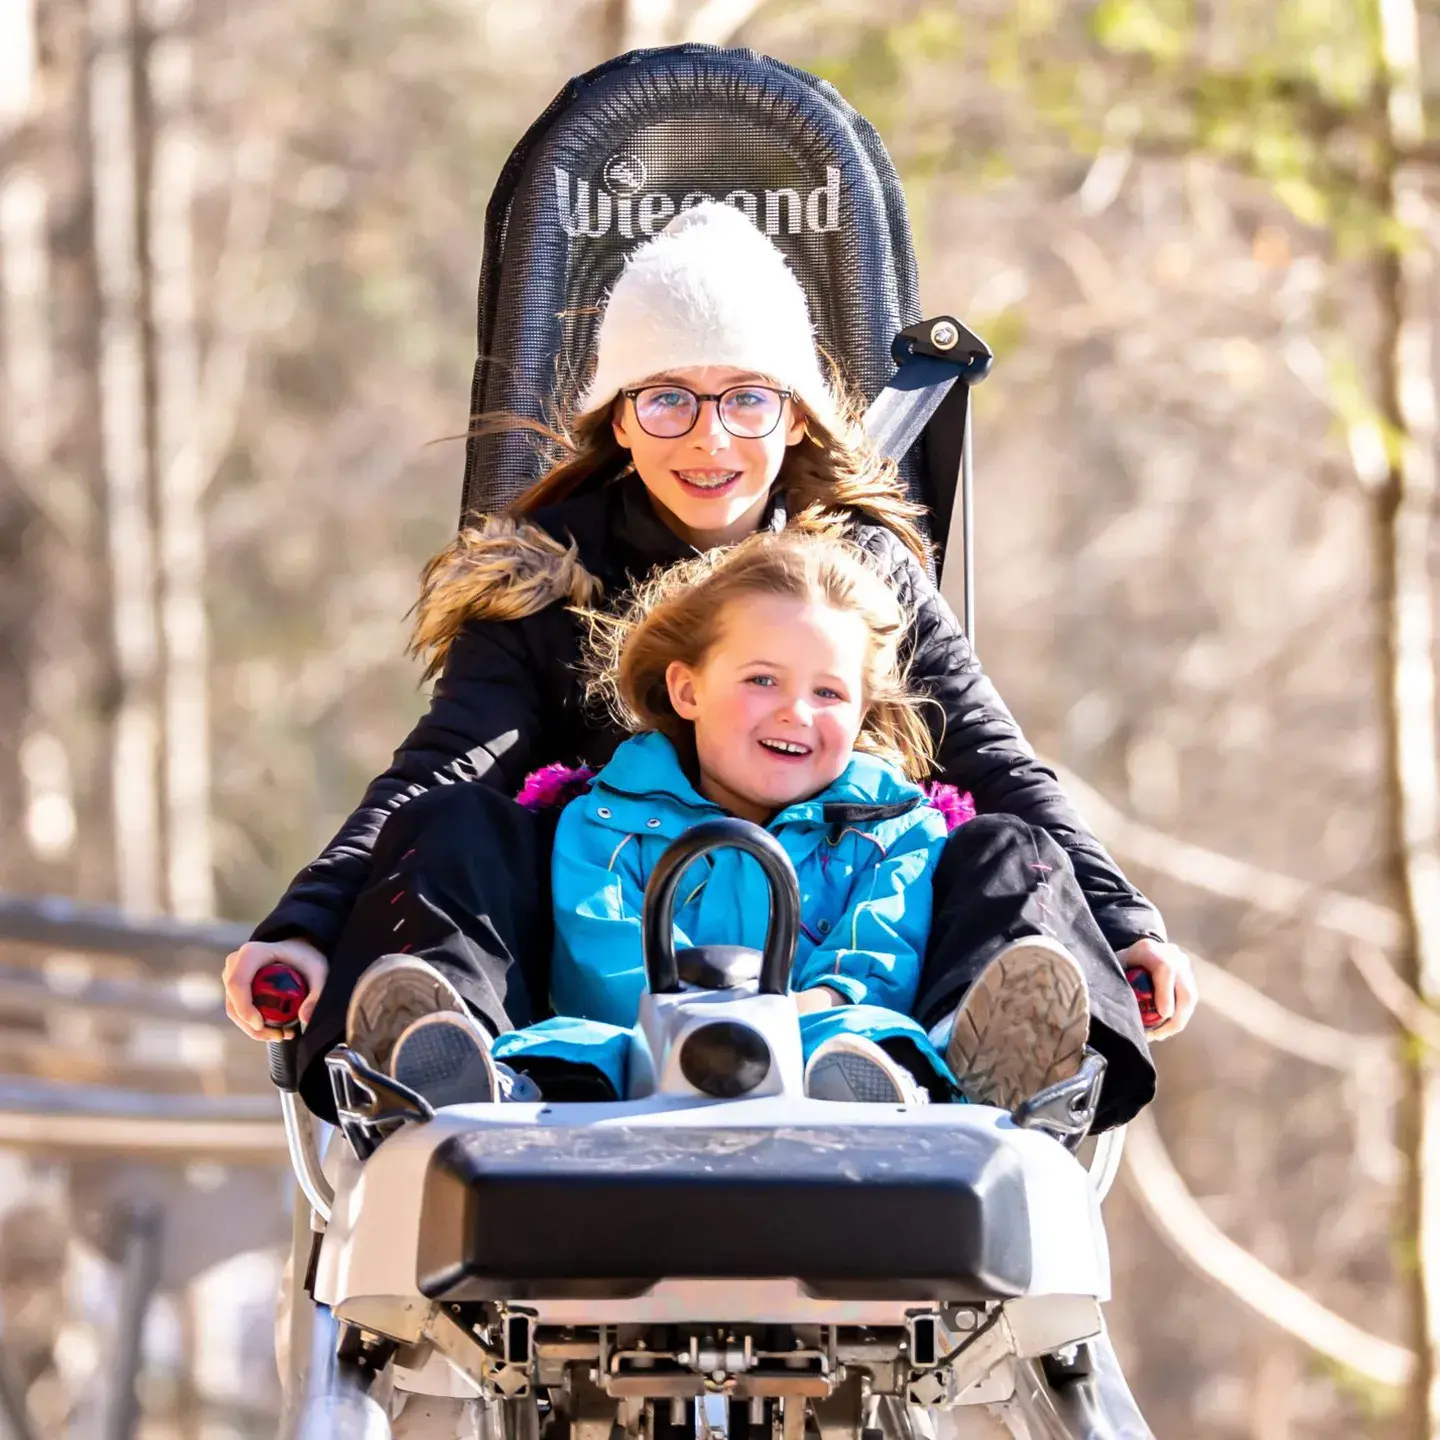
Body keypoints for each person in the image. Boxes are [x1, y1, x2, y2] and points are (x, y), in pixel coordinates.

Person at [222, 201, 1197, 1132]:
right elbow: (447, 763)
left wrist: (1122, 922)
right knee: (452, 824)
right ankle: (452, 1059)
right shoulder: (548, 580)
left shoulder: (859, 580)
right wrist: (305, 926)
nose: (709, 434)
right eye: (669, 399)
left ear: (798, 418)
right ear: (620, 419)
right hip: (604, 985)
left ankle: (958, 1070)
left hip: (839, 940)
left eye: (747, 398)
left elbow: (992, 759)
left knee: (1005, 850)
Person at [384, 529, 966, 1108]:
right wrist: (710, 1037)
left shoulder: (896, 832)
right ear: (688, 691)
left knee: (872, 1035)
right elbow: (602, 963)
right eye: (762, 680)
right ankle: (470, 1081)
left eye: (829, 693)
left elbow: (877, 960)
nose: (795, 711)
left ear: (863, 711)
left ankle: (870, 1087)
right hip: (642, 1059)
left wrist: (770, 1030)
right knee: (570, 1046)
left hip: (813, 1044)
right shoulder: (608, 822)